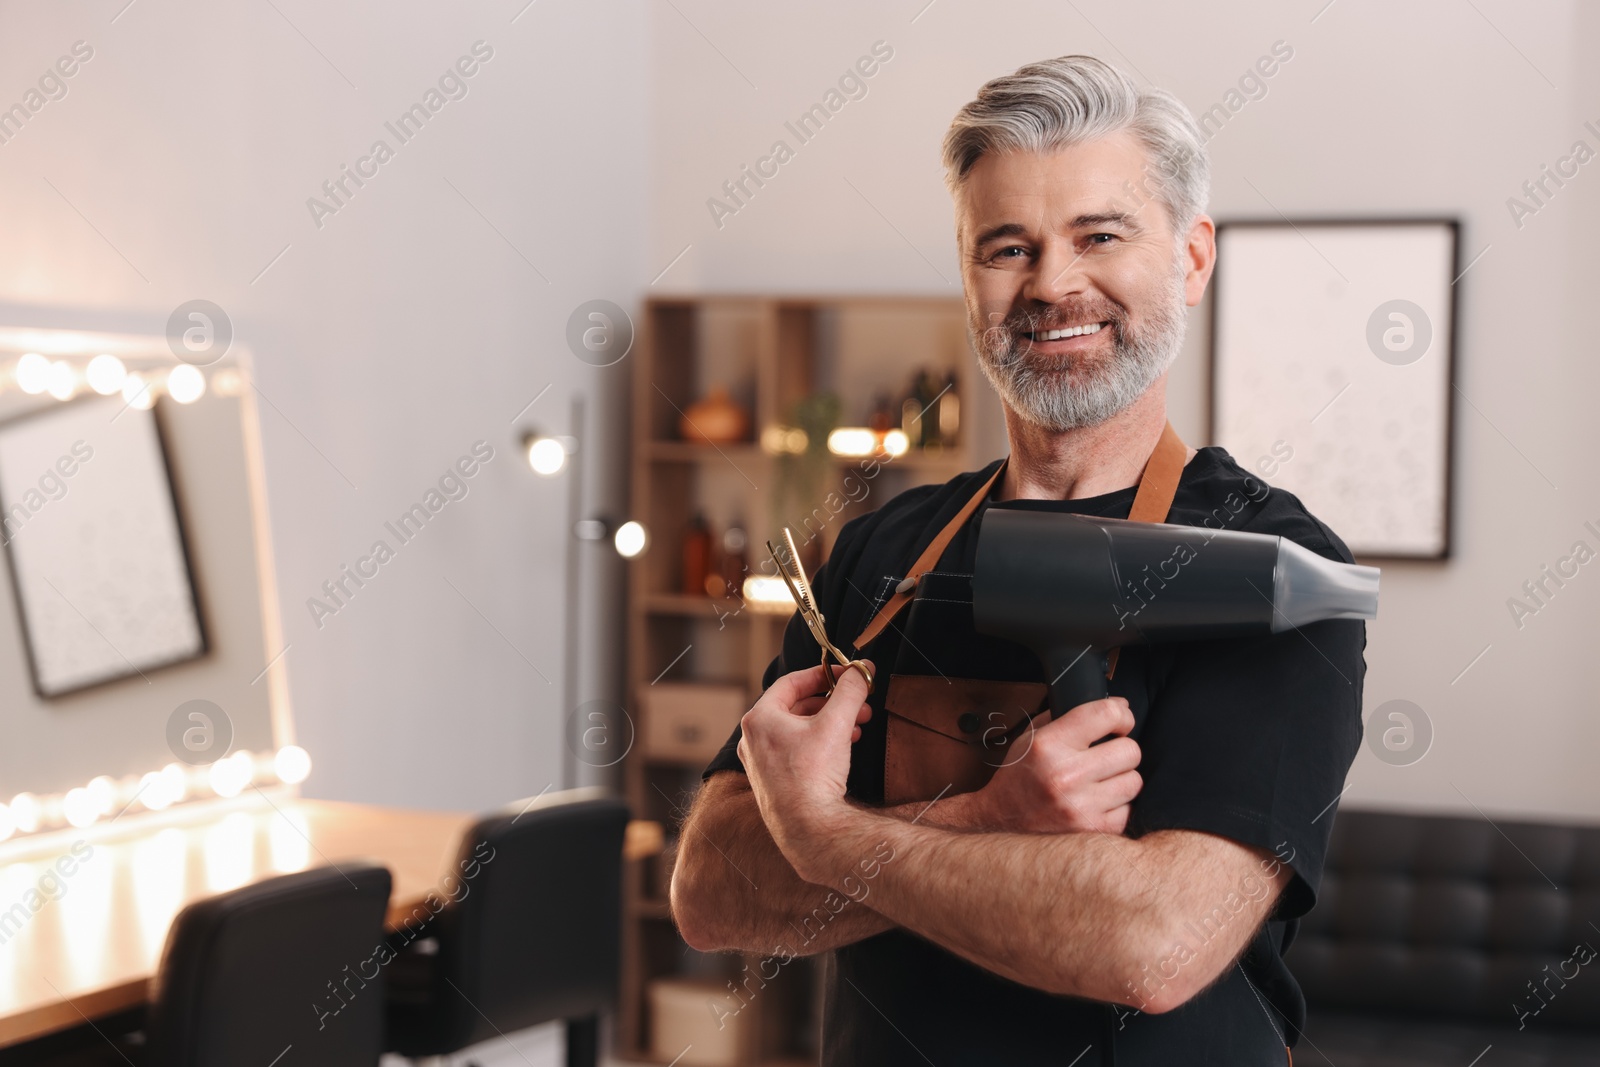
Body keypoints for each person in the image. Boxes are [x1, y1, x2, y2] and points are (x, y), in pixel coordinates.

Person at [671, 54, 1365, 1066]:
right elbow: (709, 890)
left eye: (1100, 235)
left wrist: (827, 836)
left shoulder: (1276, 571)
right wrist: (986, 813)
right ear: (966, 276)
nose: (1051, 283)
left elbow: (1155, 941)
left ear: (1191, 259)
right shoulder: (882, 551)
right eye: (1007, 246)